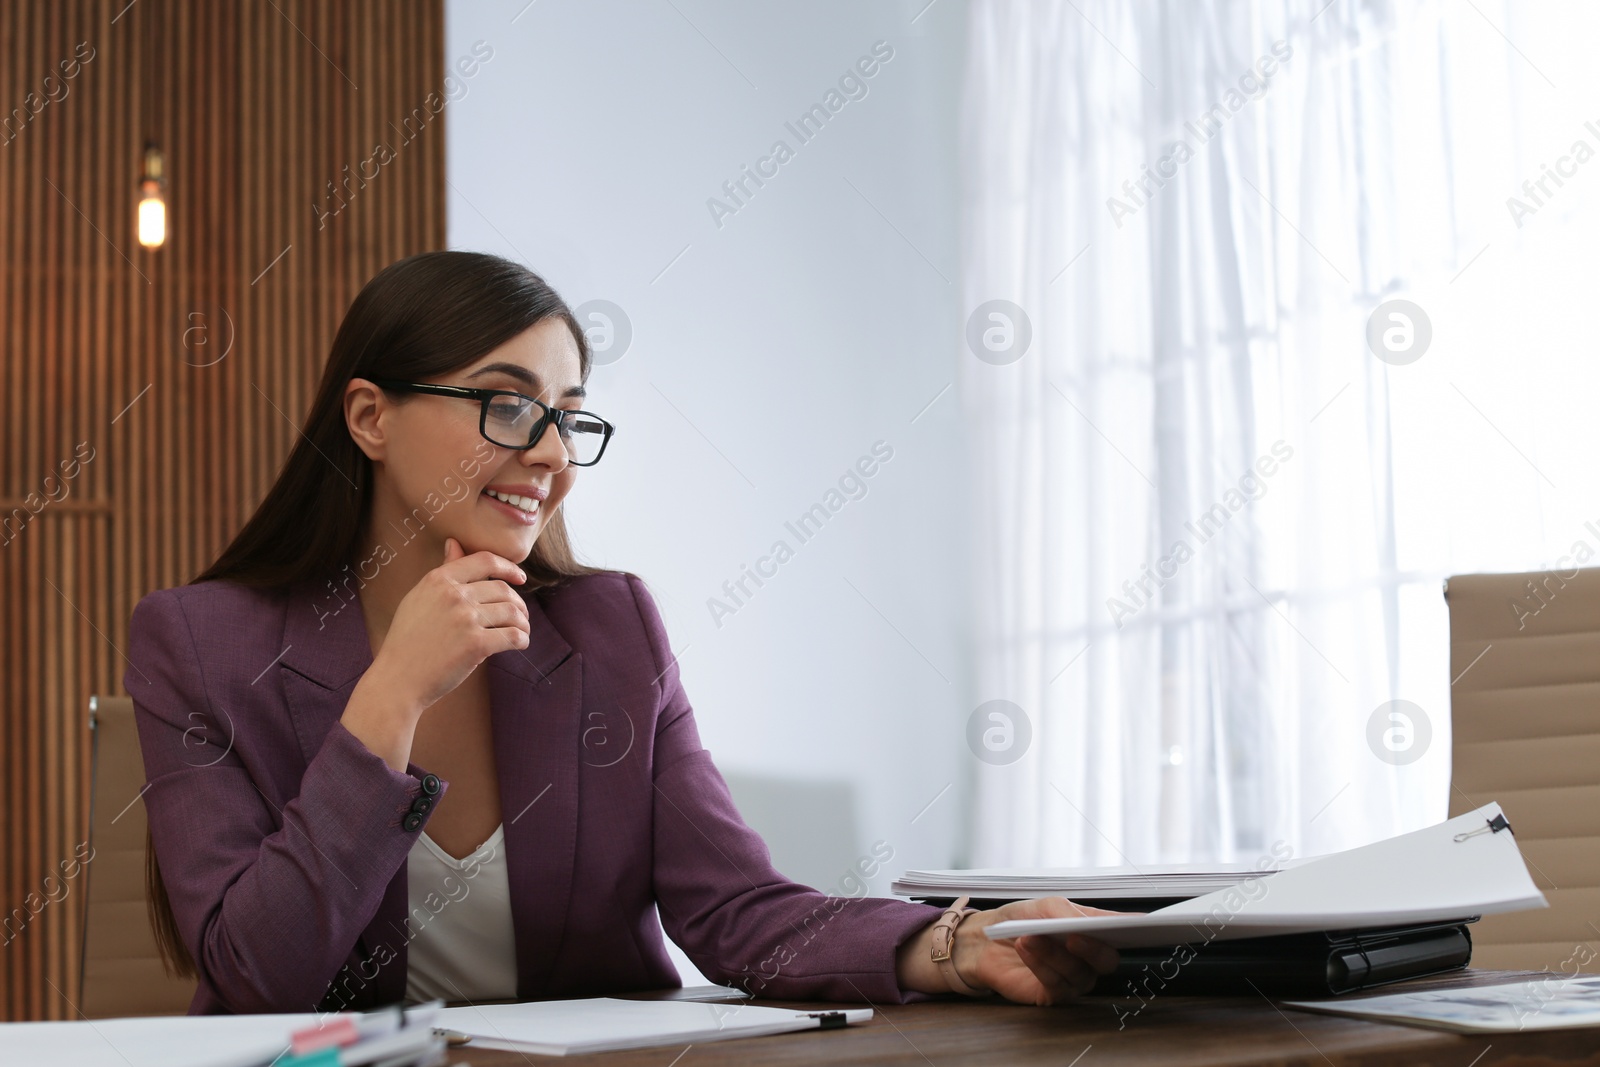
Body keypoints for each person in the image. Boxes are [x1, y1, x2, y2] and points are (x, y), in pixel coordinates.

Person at [124, 249, 1121, 1016]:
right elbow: (259, 974)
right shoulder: (200, 641)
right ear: (371, 416)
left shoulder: (612, 629)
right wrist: (388, 700)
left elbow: (738, 913)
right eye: (509, 404)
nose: (553, 454)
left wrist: (956, 943)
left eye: (570, 415)